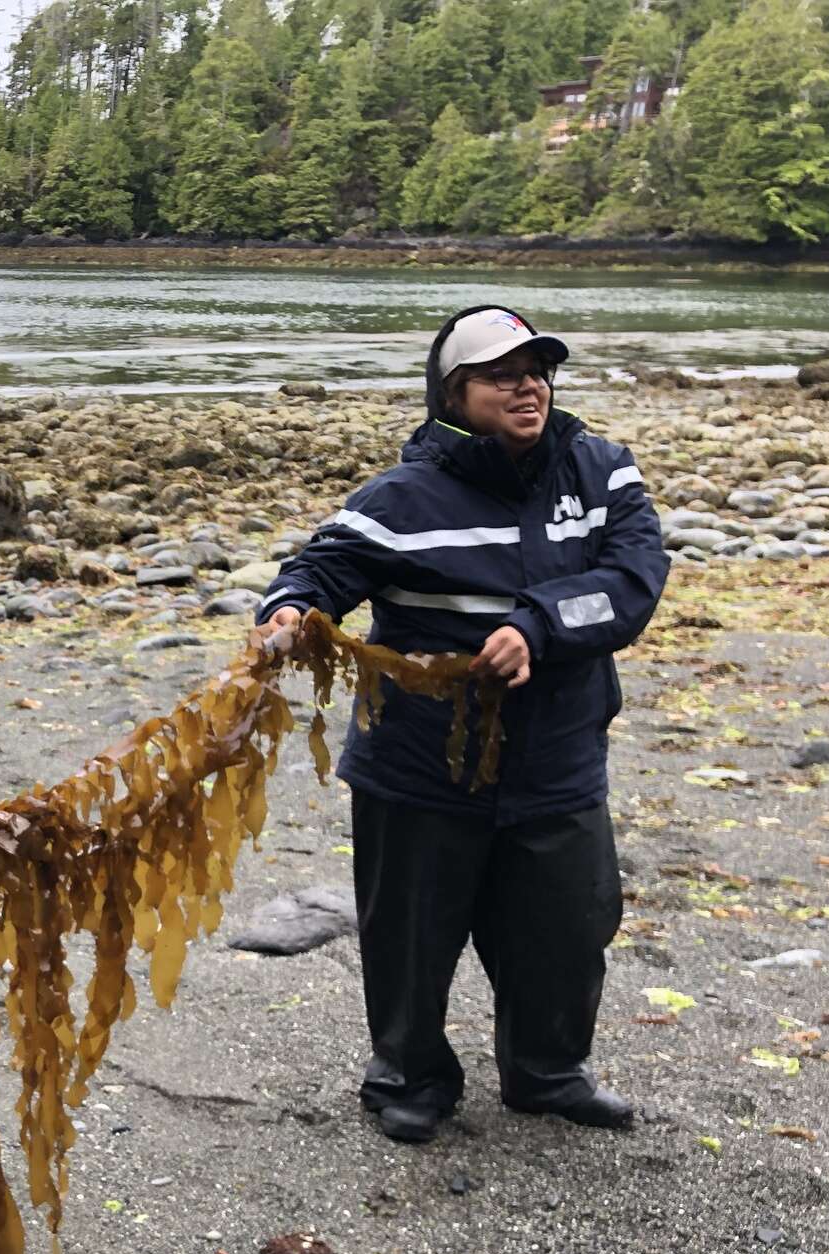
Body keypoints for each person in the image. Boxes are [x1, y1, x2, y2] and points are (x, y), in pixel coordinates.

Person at [251, 305, 668, 1144]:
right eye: (504, 375)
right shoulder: (398, 498)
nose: (529, 387)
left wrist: (536, 629)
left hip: (557, 756)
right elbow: (323, 569)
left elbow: (632, 579)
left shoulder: (602, 473)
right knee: (410, 929)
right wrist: (290, 614)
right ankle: (408, 1075)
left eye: (539, 370)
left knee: (571, 926)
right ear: (455, 392)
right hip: (418, 763)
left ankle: (548, 1074)